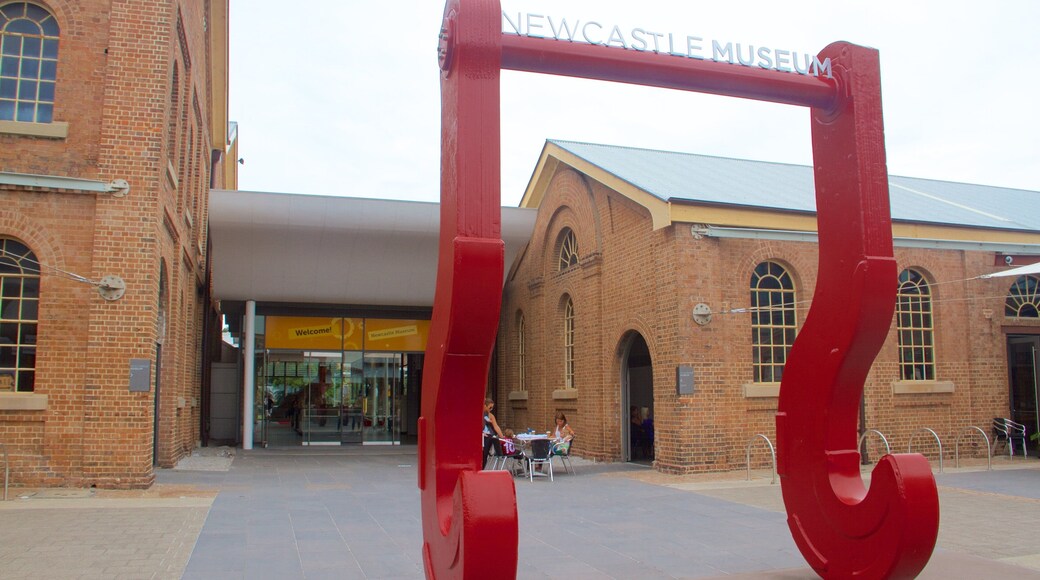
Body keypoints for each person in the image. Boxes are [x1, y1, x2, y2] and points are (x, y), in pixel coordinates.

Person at [482, 398, 504, 469]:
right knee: (483, 454)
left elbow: (496, 426)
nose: (490, 409)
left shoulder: (490, 416)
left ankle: (499, 453)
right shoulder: (480, 414)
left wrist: (502, 436)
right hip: (482, 435)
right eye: (490, 407)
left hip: (488, 435)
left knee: (493, 440)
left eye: (492, 408)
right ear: (484, 406)